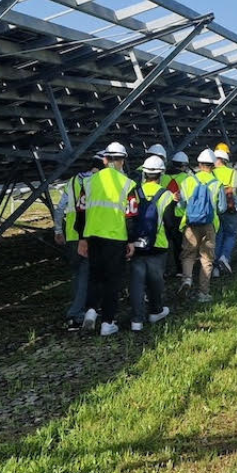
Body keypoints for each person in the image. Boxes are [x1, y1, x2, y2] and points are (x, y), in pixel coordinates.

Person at [76, 142, 136, 336]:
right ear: (123, 160)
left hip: (93, 236)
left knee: (95, 276)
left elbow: (80, 211)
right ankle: (108, 322)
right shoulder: (127, 184)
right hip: (116, 237)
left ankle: (91, 312)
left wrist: (82, 238)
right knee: (112, 280)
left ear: (104, 159)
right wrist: (131, 241)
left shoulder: (89, 182)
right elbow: (131, 215)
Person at [128, 156, 178, 330]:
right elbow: (170, 222)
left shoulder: (135, 192)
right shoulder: (166, 195)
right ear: (160, 173)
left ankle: (136, 320)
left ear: (145, 172)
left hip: (136, 244)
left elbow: (130, 218)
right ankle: (155, 311)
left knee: (136, 282)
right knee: (155, 281)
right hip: (158, 244)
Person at [51, 153, 99, 330]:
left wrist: (57, 230)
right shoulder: (96, 182)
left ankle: (84, 310)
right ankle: (77, 314)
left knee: (79, 275)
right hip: (87, 236)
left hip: (71, 236)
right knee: (86, 276)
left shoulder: (71, 183)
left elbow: (60, 208)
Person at [175, 149, 225, 302]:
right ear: (213, 165)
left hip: (190, 223)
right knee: (206, 258)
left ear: (198, 164)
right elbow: (221, 207)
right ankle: (203, 293)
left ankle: (187, 280)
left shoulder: (188, 181)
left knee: (188, 254)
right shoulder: (217, 184)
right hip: (209, 224)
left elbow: (181, 205)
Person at [211, 145, 237, 277]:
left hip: (216, 208)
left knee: (218, 236)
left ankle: (215, 268)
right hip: (230, 207)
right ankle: (225, 257)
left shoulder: (211, 173)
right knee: (231, 234)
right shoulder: (233, 172)